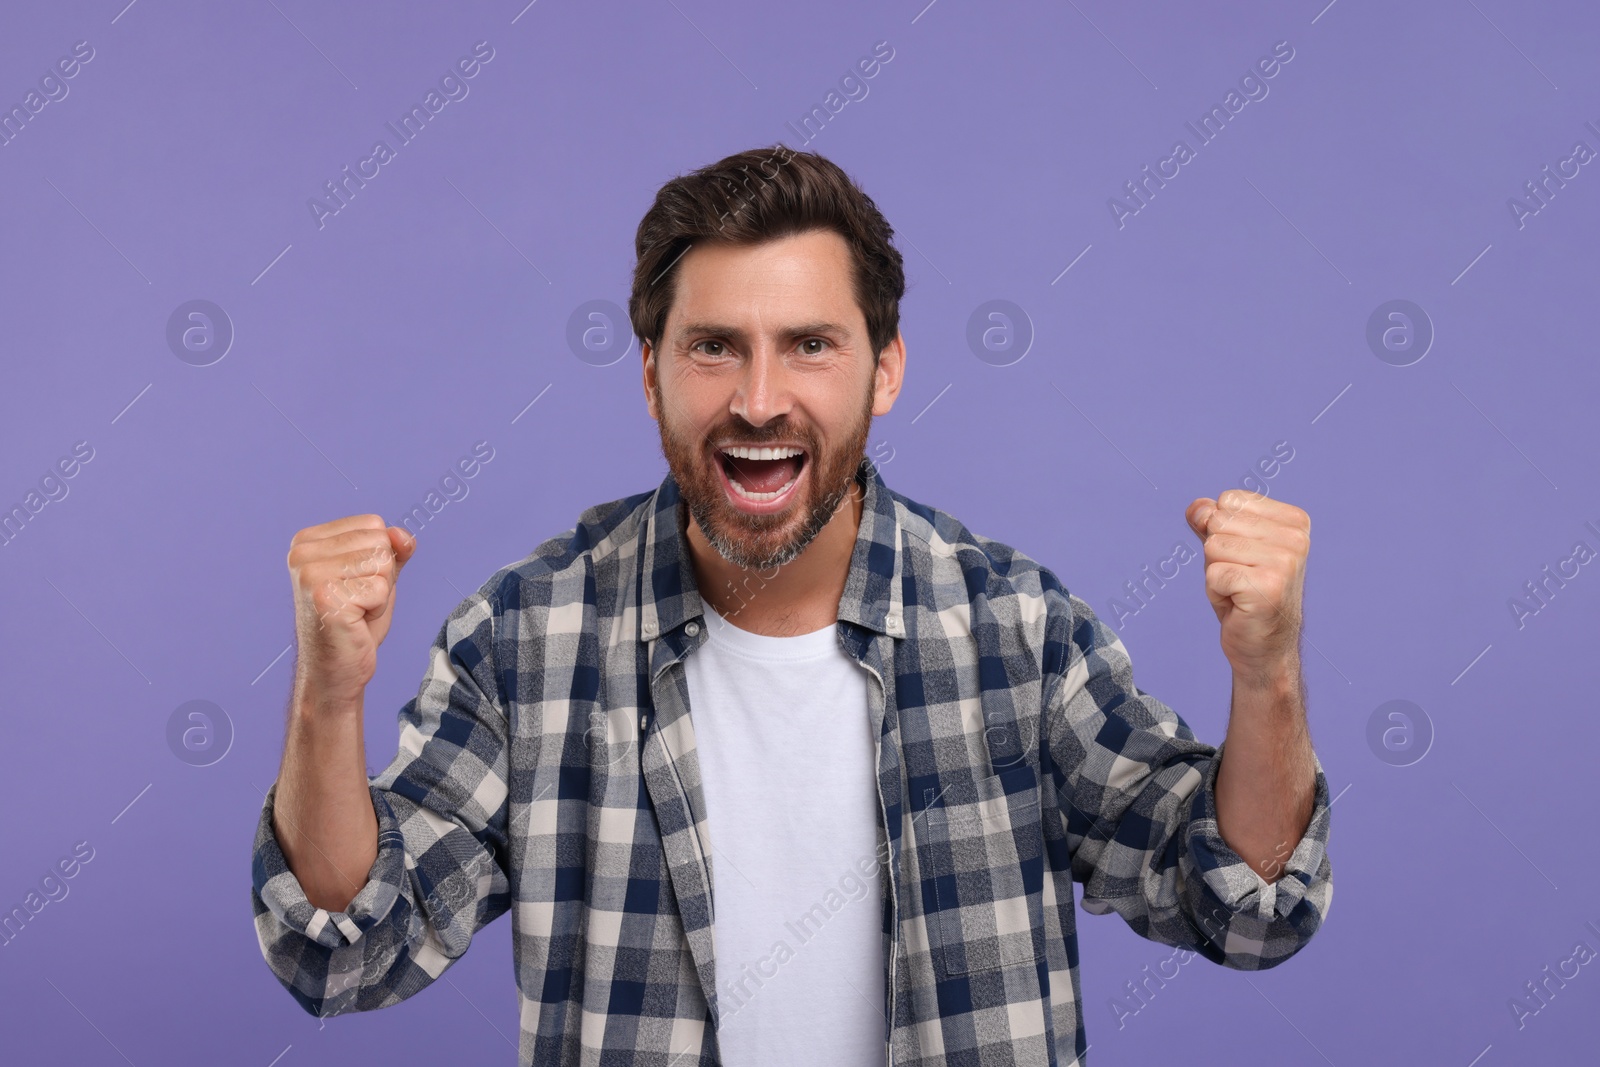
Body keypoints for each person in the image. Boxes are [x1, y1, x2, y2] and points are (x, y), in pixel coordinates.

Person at [250, 145, 1333, 1067]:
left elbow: (1245, 906)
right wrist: (326, 701)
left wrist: (1266, 671)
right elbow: (345, 948)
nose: (758, 398)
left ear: (885, 370)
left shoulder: (1018, 635)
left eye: (809, 344)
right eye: (714, 345)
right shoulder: (529, 637)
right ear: (650, 374)